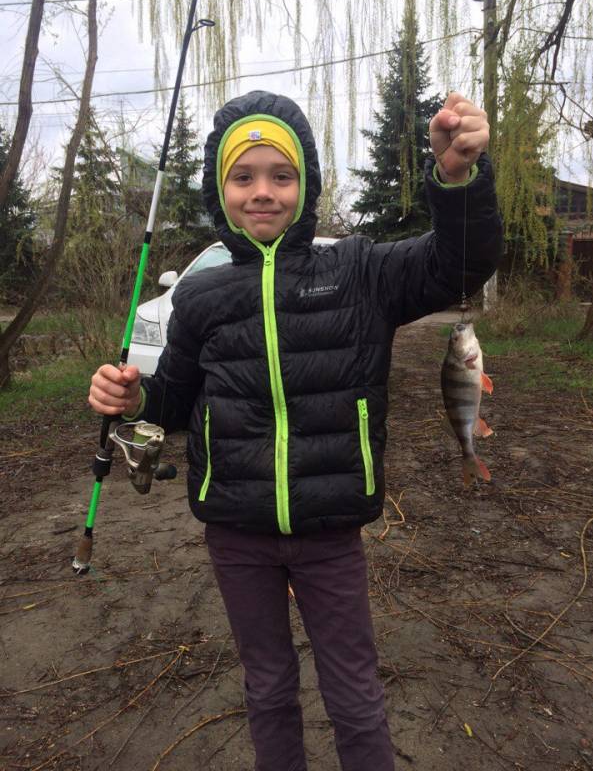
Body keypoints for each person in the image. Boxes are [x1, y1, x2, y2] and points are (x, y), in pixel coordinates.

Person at [89, 89, 503, 771]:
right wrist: (129, 399)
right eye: (243, 176)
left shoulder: (359, 272)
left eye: (281, 176)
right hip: (236, 532)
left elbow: (458, 263)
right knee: (268, 687)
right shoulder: (199, 296)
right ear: (219, 190)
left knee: (354, 692)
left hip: (330, 531)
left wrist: (456, 176)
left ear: (305, 184)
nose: (262, 192)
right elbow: (173, 401)